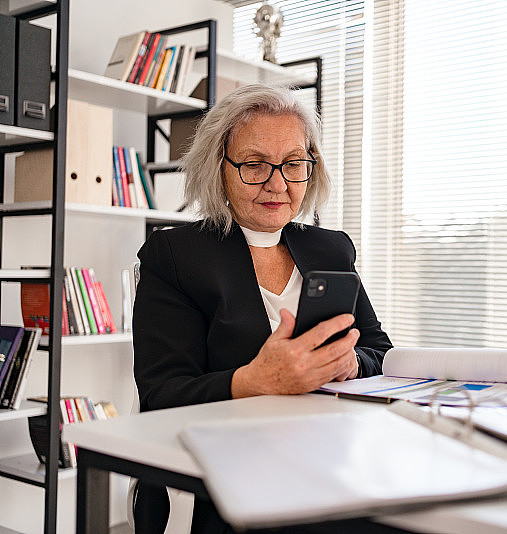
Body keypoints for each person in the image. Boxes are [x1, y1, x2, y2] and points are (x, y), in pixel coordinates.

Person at [131, 84, 393, 533]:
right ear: (220, 168)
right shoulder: (174, 254)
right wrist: (253, 381)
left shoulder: (332, 248)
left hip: (329, 459)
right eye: (254, 165)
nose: (277, 183)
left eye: (294, 164)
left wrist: (350, 363)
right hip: (223, 475)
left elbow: (380, 354)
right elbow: (163, 393)